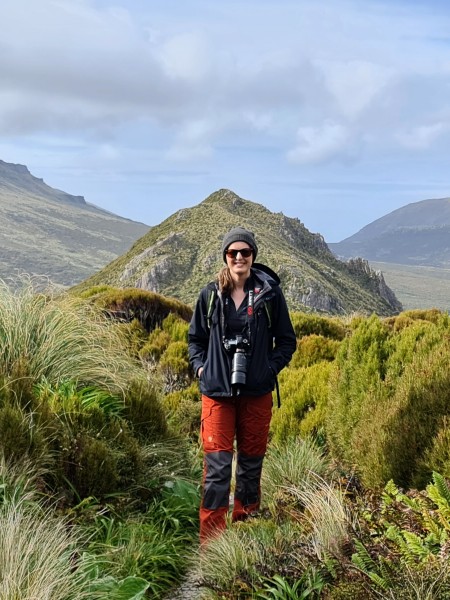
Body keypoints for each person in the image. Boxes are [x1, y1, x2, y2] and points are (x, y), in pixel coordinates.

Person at [188, 226, 296, 544]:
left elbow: (287, 341)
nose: (239, 257)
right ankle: (212, 547)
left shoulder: (269, 295)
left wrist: (267, 369)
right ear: (225, 257)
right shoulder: (210, 295)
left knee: (250, 469)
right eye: (233, 252)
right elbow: (195, 339)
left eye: (245, 252)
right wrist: (201, 368)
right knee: (218, 471)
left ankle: (246, 539)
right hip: (217, 393)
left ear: (253, 257)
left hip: (256, 393)